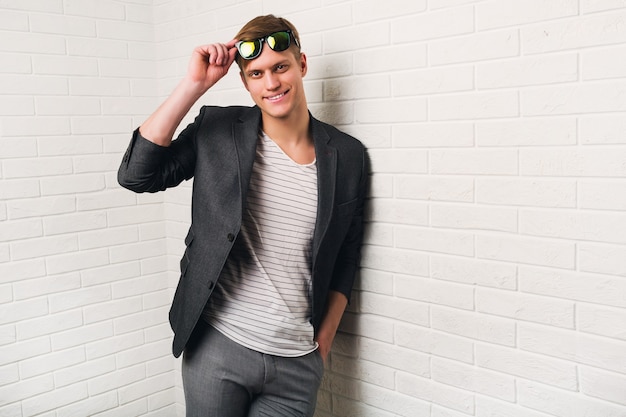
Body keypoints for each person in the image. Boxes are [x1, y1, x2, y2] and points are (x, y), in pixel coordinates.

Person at [118, 14, 368, 417]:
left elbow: (346, 256)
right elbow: (137, 175)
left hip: (296, 363)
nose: (271, 83)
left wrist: (321, 347)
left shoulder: (348, 155)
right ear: (245, 81)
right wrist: (194, 86)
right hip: (218, 348)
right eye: (257, 73)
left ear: (301, 65)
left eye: (281, 67)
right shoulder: (217, 129)